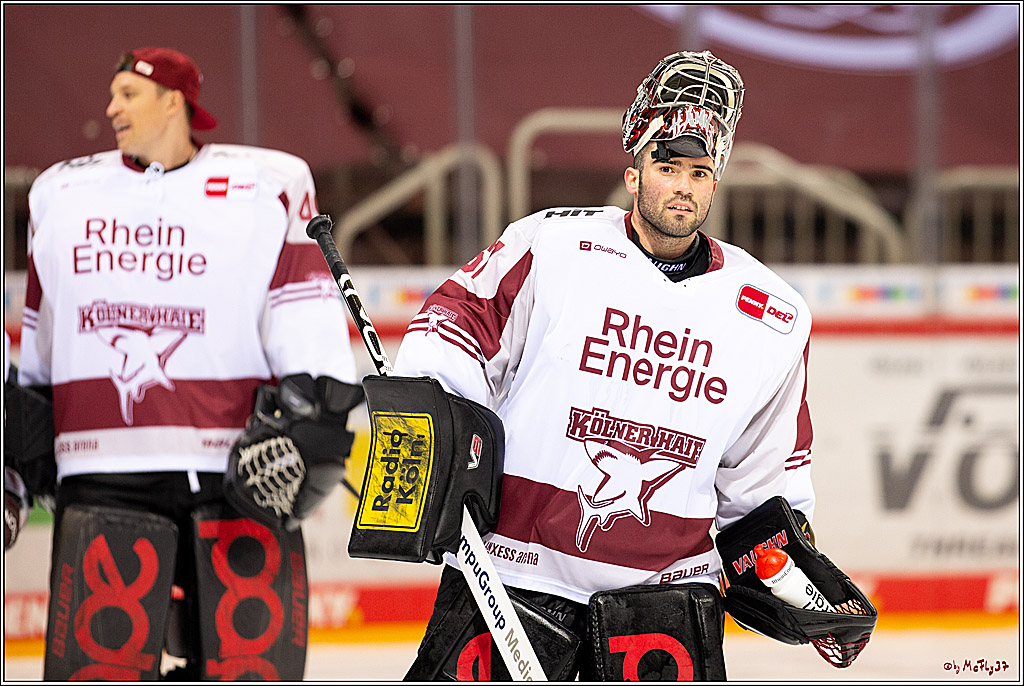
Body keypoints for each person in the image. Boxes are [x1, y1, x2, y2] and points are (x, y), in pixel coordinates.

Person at [387, 51, 873, 680]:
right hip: (514, 579)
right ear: (634, 171)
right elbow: (451, 329)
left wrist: (789, 569)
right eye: (666, 166)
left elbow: (761, 481)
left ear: (716, 183)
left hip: (664, 607)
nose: (682, 186)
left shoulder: (772, 314)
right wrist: (449, 440)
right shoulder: (553, 247)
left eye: (699, 172)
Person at [18, 47, 363, 680]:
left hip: (235, 472)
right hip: (102, 468)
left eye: (128, 93)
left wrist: (318, 420)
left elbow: (304, 321)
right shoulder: (59, 195)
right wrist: (18, 454)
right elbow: (39, 346)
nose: (110, 108)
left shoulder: (268, 187)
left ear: (174, 101)